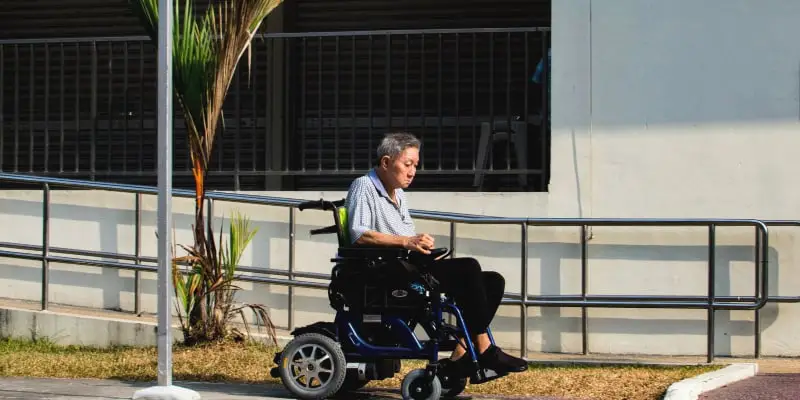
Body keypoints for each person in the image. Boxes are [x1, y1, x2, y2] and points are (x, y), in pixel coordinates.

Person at [344, 132, 528, 379]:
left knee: (493, 281)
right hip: (385, 270)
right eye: (407, 164)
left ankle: (461, 354)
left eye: (415, 166)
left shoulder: (399, 195)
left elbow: (407, 239)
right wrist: (408, 241)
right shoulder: (363, 186)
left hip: (407, 265)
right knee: (470, 267)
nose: (412, 172)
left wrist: (422, 249)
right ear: (386, 163)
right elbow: (358, 234)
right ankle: (484, 349)